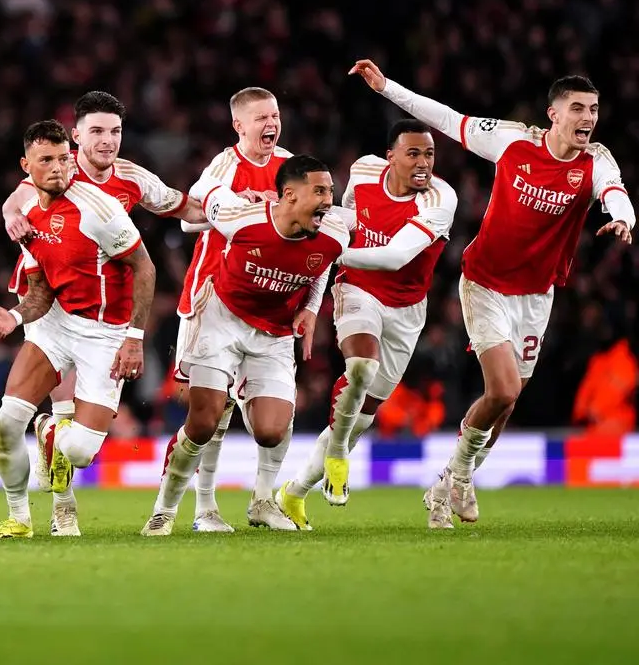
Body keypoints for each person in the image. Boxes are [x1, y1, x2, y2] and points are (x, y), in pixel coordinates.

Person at [349, 58, 634, 528]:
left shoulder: (594, 161)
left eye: (594, 109)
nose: (588, 118)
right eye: (578, 108)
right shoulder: (514, 140)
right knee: (501, 388)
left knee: (507, 400)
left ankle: (446, 484)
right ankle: (459, 475)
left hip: (537, 295)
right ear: (554, 114)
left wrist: (623, 218)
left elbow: (614, 190)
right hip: (484, 282)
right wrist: (387, 88)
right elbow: (445, 117)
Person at [0, 91, 201, 536]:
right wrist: (12, 215)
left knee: (74, 437)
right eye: (97, 132)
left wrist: (240, 215)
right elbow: (16, 199)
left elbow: (184, 206)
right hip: (50, 298)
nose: (107, 141)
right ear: (76, 137)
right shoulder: (53, 170)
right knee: (61, 403)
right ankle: (62, 508)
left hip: (104, 313)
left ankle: (57, 458)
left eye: (115, 132)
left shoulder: (131, 179)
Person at [142, 155, 348, 536]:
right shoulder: (243, 218)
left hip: (274, 334)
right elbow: (195, 208)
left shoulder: (335, 233)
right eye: (319, 191)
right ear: (289, 195)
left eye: (331, 191)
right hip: (220, 321)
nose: (329, 199)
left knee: (271, 430)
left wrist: (311, 308)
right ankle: (164, 510)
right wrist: (234, 193)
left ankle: (262, 503)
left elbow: (322, 266)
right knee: (203, 422)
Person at [275, 121, 457, 530]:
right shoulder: (362, 172)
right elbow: (347, 217)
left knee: (361, 414)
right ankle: (337, 452)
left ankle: (294, 492)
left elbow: (394, 257)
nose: (423, 163)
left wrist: (331, 253)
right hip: (358, 291)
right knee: (361, 367)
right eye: (413, 154)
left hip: (407, 309)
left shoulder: (440, 199)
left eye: (429, 154)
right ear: (390, 156)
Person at [0, 120, 156, 540]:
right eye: (47, 160)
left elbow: (144, 267)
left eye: (64, 158)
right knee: (7, 420)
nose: (59, 168)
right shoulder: (28, 216)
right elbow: (40, 292)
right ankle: (19, 519)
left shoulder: (97, 208)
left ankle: (49, 430)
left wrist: (135, 338)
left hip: (104, 332)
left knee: (78, 452)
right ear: (27, 166)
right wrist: (17, 316)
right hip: (55, 322)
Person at [170, 86, 293, 532]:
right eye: (260, 118)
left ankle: (264, 500)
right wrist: (246, 205)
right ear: (238, 125)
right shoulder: (227, 164)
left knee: (273, 415)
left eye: (275, 116)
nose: (271, 125)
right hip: (211, 299)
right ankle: (205, 508)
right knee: (213, 411)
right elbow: (189, 215)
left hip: (268, 304)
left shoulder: (290, 168)